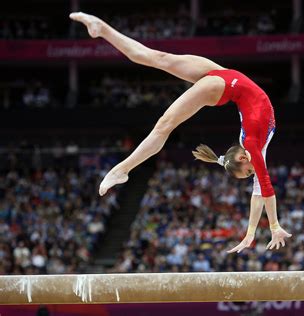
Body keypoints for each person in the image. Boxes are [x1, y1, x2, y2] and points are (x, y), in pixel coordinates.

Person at [70, 12, 292, 253]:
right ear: (241, 159)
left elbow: (260, 191)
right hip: (222, 84)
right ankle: (121, 170)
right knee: (164, 122)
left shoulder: (251, 147)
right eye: (250, 171)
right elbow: (266, 189)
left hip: (226, 77)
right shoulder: (252, 146)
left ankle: (102, 29)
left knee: (158, 60)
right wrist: (274, 226)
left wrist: (250, 234)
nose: (254, 171)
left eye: (248, 172)